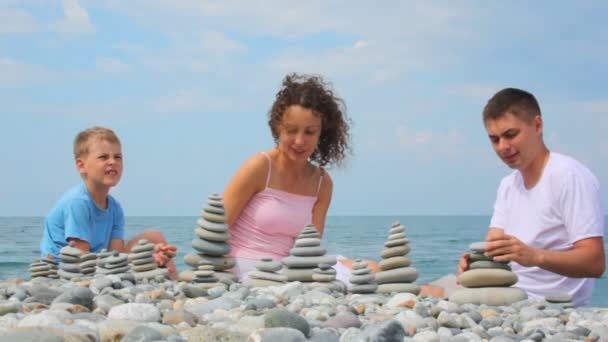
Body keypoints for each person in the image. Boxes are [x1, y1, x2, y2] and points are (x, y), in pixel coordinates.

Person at [455, 88, 606, 306]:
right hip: (508, 294)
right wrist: (474, 264)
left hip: (550, 306)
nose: (503, 147)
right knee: (424, 292)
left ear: (537, 125)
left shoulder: (569, 176)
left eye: (510, 135)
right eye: (494, 139)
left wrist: (534, 256)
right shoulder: (508, 185)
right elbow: (494, 247)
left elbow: (595, 263)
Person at [223, 73, 378, 280]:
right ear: (278, 127)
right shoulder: (260, 167)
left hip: (293, 268)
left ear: (321, 133)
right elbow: (218, 228)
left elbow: (310, 247)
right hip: (250, 267)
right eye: (291, 130)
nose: (299, 140)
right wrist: (223, 275)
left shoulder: (322, 183)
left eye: (309, 132)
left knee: (373, 269)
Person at [40, 127, 178, 279]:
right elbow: (81, 261)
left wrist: (147, 256)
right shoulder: (77, 202)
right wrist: (139, 260)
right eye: (103, 157)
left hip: (100, 264)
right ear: (81, 166)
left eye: (118, 157)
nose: (112, 162)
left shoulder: (115, 207)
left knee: (155, 237)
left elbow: (116, 254)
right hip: (67, 271)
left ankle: (174, 285)